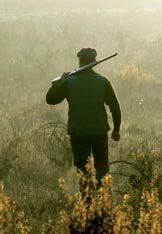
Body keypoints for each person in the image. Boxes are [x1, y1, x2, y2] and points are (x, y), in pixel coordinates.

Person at [46, 47, 121, 184]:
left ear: (80, 62)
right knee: (102, 169)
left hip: (78, 133)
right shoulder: (103, 81)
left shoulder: (68, 82)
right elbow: (115, 108)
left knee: (83, 171)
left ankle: (87, 203)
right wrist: (116, 130)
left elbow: (50, 99)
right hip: (99, 131)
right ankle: (104, 202)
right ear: (95, 61)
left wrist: (61, 81)